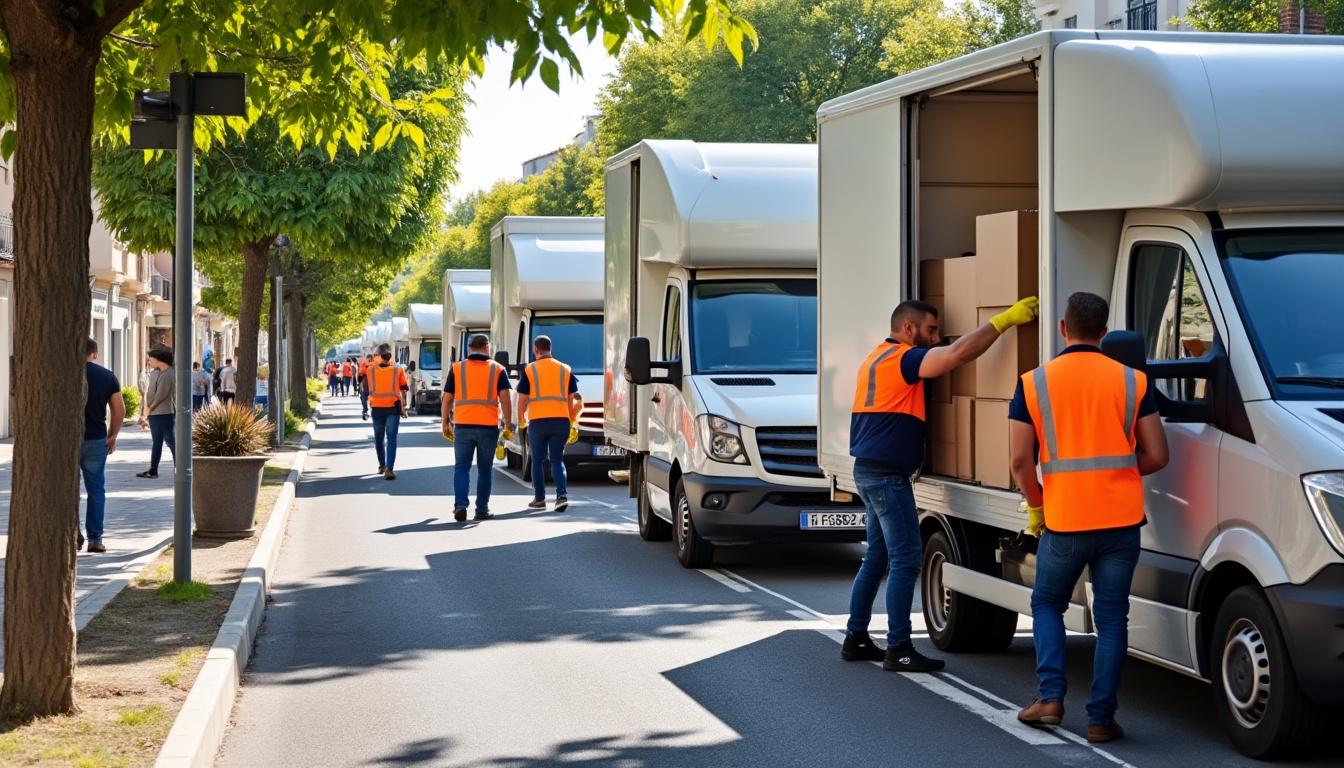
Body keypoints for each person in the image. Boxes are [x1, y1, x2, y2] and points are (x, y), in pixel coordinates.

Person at [842, 295, 1039, 673]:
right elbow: (957, 356)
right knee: (904, 559)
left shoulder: (876, 357)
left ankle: (856, 637)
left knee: (878, 557)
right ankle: (898, 646)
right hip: (885, 476)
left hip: (867, 470)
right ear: (909, 328)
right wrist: (1005, 321)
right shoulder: (904, 358)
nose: (936, 339)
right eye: (931, 331)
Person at [1011, 292, 1168, 743]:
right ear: (1104, 332)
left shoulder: (1034, 383)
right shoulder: (1132, 381)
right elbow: (1157, 454)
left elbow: (1020, 462)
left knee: (1046, 604)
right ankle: (1101, 719)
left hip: (1065, 520)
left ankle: (1051, 698)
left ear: (1063, 328)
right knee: (1113, 618)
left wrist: (1039, 505)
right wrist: (1117, 468)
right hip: (1121, 522)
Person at [442, 334, 513, 521]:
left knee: (462, 467)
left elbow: (447, 398)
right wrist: (508, 423)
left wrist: (445, 423)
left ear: (470, 348)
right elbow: (505, 398)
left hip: (463, 426)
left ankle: (460, 504)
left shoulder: (457, 368)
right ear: (487, 347)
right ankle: (481, 509)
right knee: (485, 469)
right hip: (488, 426)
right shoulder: (498, 369)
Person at [516, 335, 583, 511]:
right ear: (550, 348)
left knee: (537, 461)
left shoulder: (530, 370)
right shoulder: (565, 369)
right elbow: (572, 399)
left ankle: (539, 499)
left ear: (535, 349)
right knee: (557, 460)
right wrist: (571, 420)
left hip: (537, 422)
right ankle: (561, 496)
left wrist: (520, 418)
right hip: (561, 421)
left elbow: (522, 400)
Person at [81, 338, 125, 553]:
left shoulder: (64, 374)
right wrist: (112, 436)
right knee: (96, 490)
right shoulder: (107, 376)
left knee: (66, 490)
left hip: (67, 442)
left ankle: (71, 533)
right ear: (94, 354)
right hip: (96, 439)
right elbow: (119, 410)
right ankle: (95, 539)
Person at [365, 343, 408, 480]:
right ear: (390, 356)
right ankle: (389, 469)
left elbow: (367, 366)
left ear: (379, 356)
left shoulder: (370, 370)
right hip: (393, 409)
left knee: (379, 439)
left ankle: (382, 465)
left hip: (377, 409)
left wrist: (374, 358)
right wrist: (404, 407)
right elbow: (404, 390)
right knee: (392, 439)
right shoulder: (398, 370)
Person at [137, 347, 176, 479]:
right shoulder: (154, 373)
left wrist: (148, 412)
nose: (149, 362)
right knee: (157, 442)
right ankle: (153, 470)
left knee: (170, 440)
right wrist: (145, 411)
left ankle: (179, 467)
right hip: (154, 413)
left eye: (150, 359)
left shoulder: (170, 373)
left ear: (159, 360)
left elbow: (161, 396)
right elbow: (149, 392)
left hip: (164, 413)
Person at [358, 353, 373, 420]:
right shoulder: (375, 363)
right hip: (373, 383)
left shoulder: (363, 363)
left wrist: (359, 384)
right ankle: (371, 409)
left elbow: (360, 373)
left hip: (365, 382)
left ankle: (365, 410)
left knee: (363, 397)